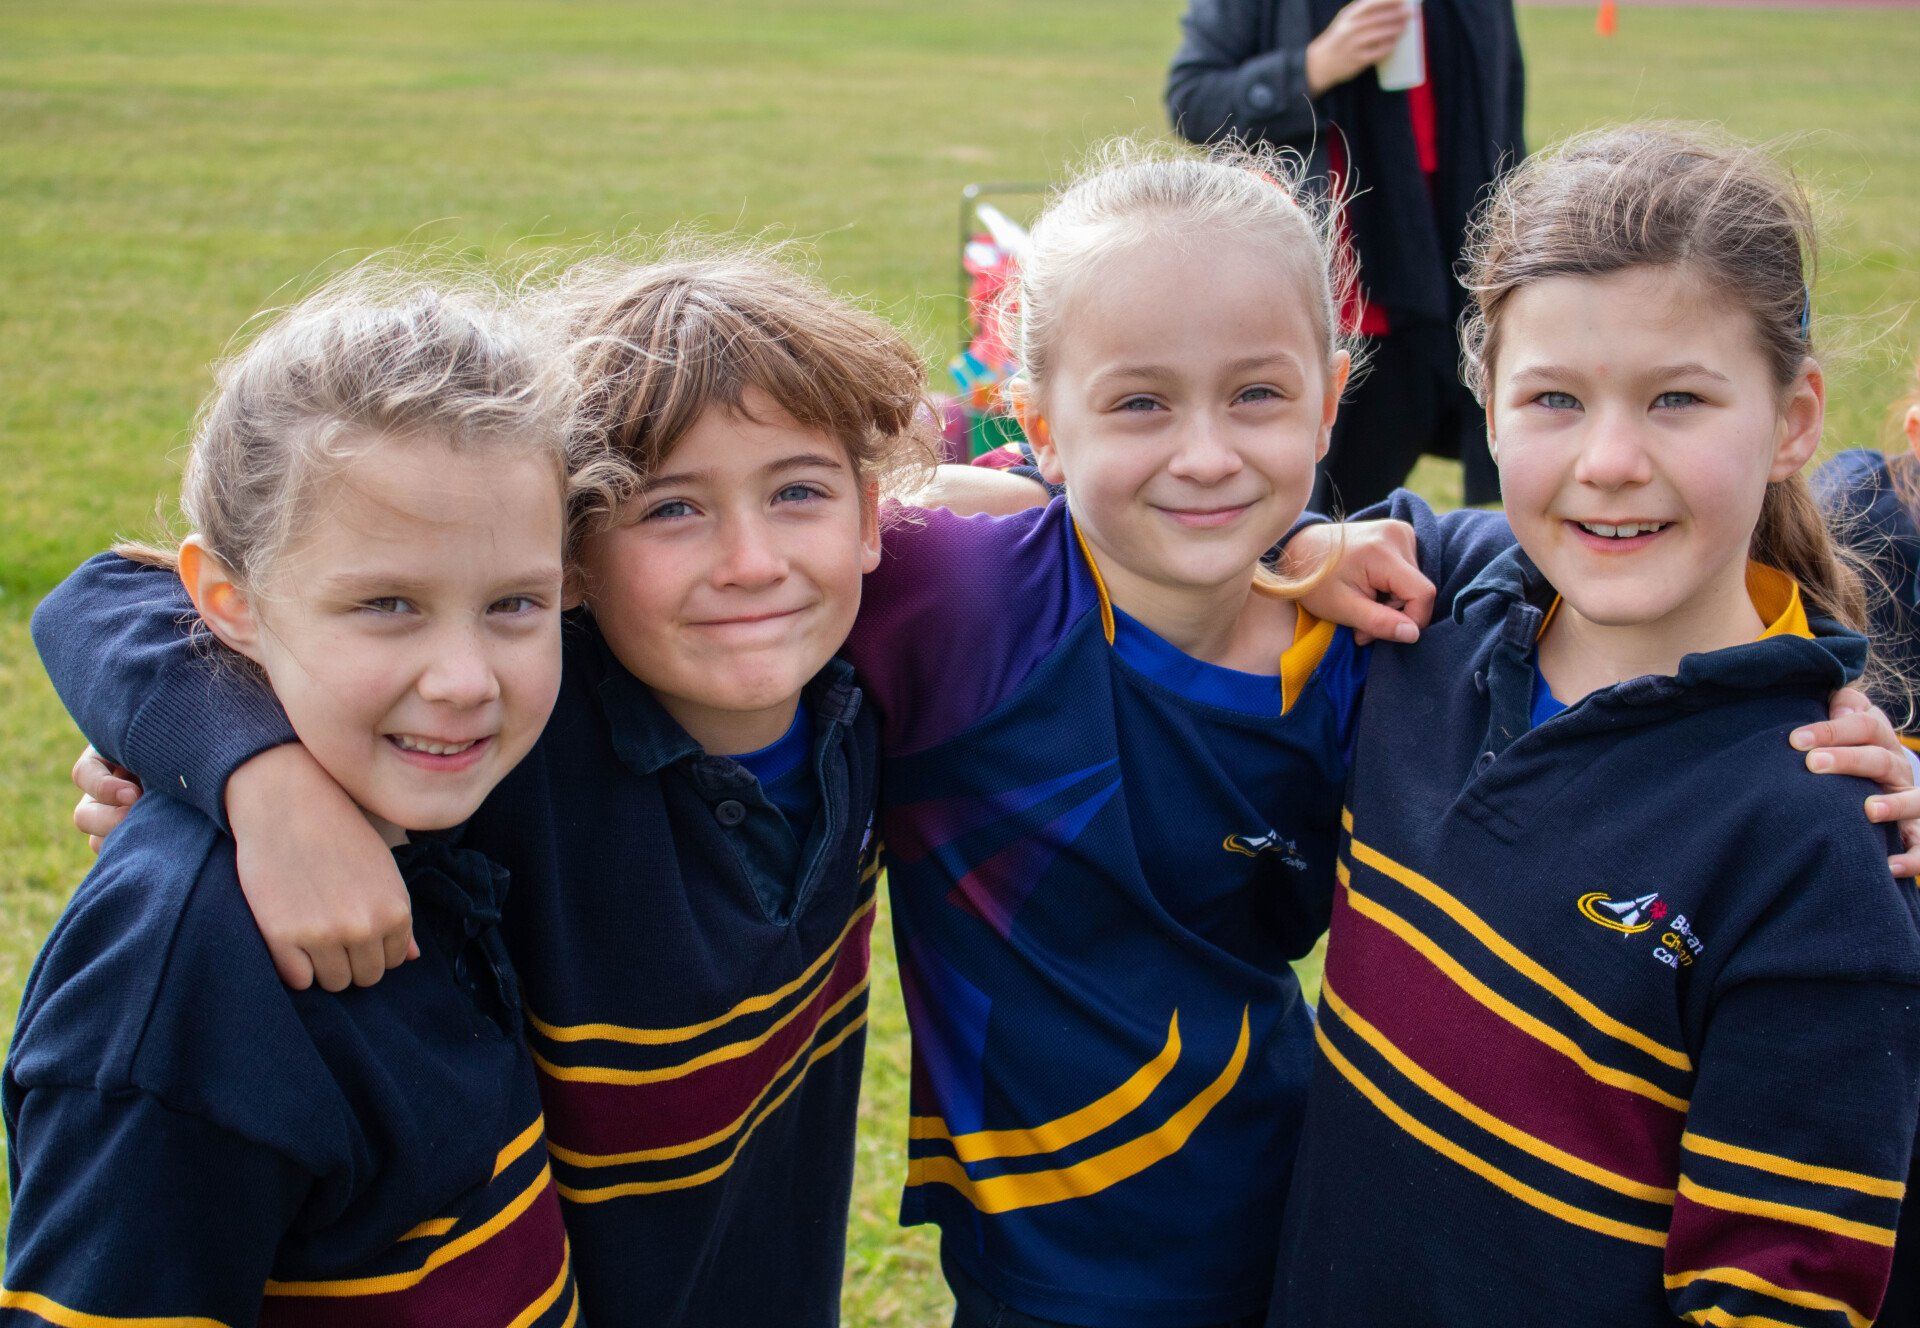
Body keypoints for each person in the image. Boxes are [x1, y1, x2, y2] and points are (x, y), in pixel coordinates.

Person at [28, 247, 939, 1328]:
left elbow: (1075, 507)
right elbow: (110, 596)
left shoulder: (886, 670)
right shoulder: (515, 736)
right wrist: (261, 778)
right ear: (581, 561)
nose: (751, 561)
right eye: (670, 509)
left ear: (867, 517)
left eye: (797, 492)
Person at [1271, 125, 1920, 1327]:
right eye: (1554, 399)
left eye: (1678, 398)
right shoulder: (1425, 601)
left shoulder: (1819, 845)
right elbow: (1167, 534)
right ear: (1488, 410)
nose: (1610, 459)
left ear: (1794, 419)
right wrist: (1302, 544)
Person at [6, 270, 582, 1325]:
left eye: (515, 603)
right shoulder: (178, 982)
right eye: (388, 604)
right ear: (230, 601)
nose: (466, 680)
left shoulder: (447, 796)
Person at [1165, 0, 1525, 510]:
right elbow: (1193, 101)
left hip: (1442, 298)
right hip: (1329, 308)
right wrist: (1315, 66)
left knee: (1353, 518)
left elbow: (1504, 131)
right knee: (1289, 520)